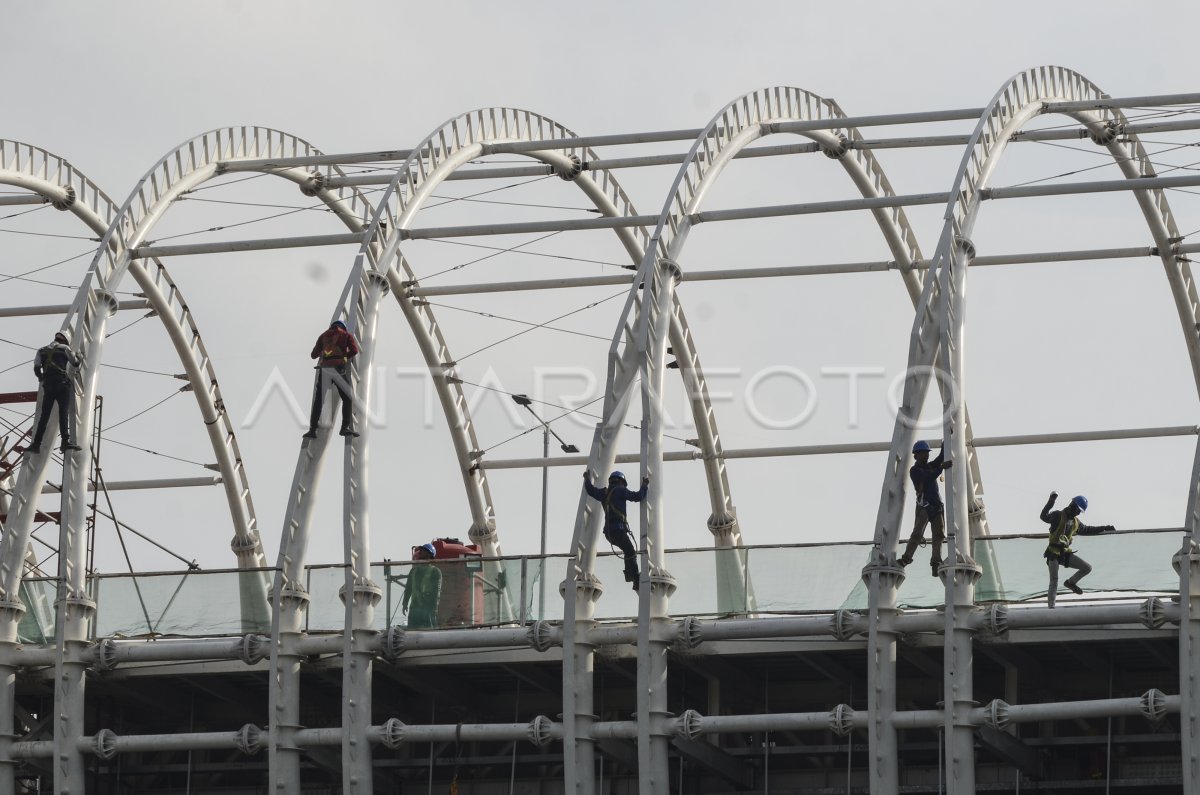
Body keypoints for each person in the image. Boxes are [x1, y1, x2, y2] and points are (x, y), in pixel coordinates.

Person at [1040, 492, 1114, 608]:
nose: (1078, 513)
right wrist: (1051, 501)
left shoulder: (1075, 523)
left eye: (1080, 511)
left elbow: (1087, 529)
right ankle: (1051, 609)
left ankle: (1070, 583)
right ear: (1072, 505)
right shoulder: (1057, 516)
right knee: (1054, 580)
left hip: (1064, 554)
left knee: (1087, 568)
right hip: (1053, 553)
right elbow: (1043, 516)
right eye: (1078, 509)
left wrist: (1104, 528)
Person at [583, 470, 649, 590]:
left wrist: (587, 479)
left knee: (627, 551)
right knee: (631, 551)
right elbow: (638, 496)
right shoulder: (620, 490)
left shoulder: (604, 492)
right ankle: (636, 580)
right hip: (619, 531)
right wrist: (644, 486)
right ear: (621, 481)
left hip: (609, 534)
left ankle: (631, 576)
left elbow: (591, 490)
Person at [898, 440, 953, 577]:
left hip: (936, 506)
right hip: (925, 506)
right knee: (917, 534)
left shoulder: (929, 466)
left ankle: (936, 562)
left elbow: (940, 459)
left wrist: (944, 446)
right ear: (916, 456)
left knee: (938, 535)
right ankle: (906, 559)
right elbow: (928, 477)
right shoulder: (915, 471)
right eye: (923, 454)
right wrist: (941, 467)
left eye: (927, 454)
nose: (926, 456)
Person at [303, 320, 360, 439]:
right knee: (347, 397)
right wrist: (344, 357)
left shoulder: (323, 336)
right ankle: (345, 427)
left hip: (324, 370)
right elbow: (354, 350)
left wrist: (324, 354)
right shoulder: (346, 335)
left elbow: (313, 355)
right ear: (343, 327)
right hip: (338, 370)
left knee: (319, 401)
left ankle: (312, 430)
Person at [28, 330, 82, 454]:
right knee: (63, 413)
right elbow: (75, 363)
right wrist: (79, 356)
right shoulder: (65, 348)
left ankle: (36, 444)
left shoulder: (41, 350)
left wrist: (41, 378)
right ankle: (65, 442)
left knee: (44, 416)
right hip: (62, 385)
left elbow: (36, 368)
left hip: (48, 386)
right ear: (65, 340)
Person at [402, 543, 442, 628]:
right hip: (414, 610)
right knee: (412, 634)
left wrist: (434, 610)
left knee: (429, 635)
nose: (420, 552)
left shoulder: (435, 572)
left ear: (429, 554)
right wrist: (404, 603)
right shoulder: (413, 571)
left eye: (423, 551)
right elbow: (408, 589)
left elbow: (436, 593)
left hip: (427, 610)